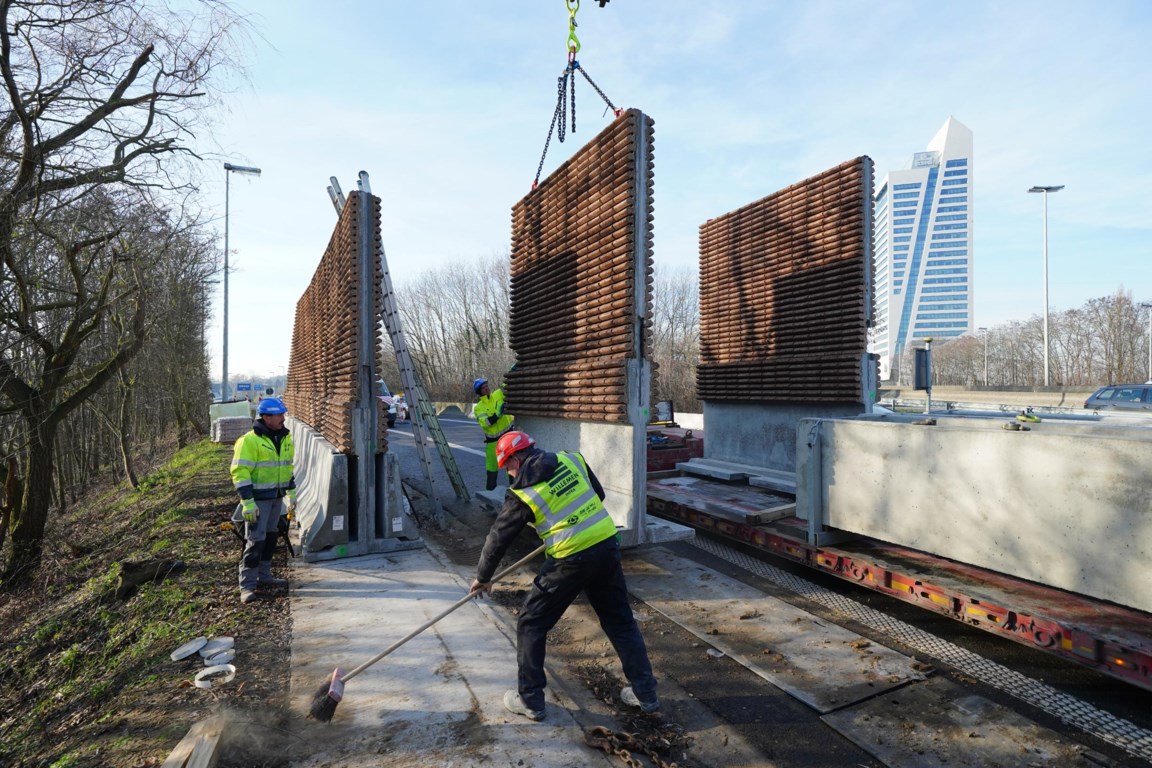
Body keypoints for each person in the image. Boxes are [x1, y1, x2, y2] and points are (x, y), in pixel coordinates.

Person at [469, 430, 659, 721]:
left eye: (507, 466)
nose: (508, 473)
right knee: (620, 621)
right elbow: (598, 495)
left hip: (569, 560)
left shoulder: (522, 492)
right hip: (606, 546)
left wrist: (483, 577)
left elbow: (498, 538)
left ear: (516, 460)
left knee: (531, 623)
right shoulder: (572, 459)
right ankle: (645, 693)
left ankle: (530, 700)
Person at [230, 396, 296, 605]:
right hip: (257, 502)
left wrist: (291, 494)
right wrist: (247, 502)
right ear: (267, 417)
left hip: (276, 498)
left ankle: (265, 575)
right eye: (279, 414)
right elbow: (240, 473)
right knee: (255, 542)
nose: (283, 418)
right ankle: (247, 586)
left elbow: (287, 468)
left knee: (270, 538)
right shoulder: (249, 441)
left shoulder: (285, 438)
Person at [472, 377, 515, 490]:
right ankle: (490, 494)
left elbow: (507, 385)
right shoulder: (478, 408)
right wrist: (497, 415)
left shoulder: (497, 394)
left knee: (511, 465)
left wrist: (513, 371)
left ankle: (515, 491)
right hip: (493, 443)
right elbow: (485, 423)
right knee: (491, 468)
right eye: (483, 388)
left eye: (487, 386)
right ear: (479, 392)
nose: (487, 388)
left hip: (507, 437)